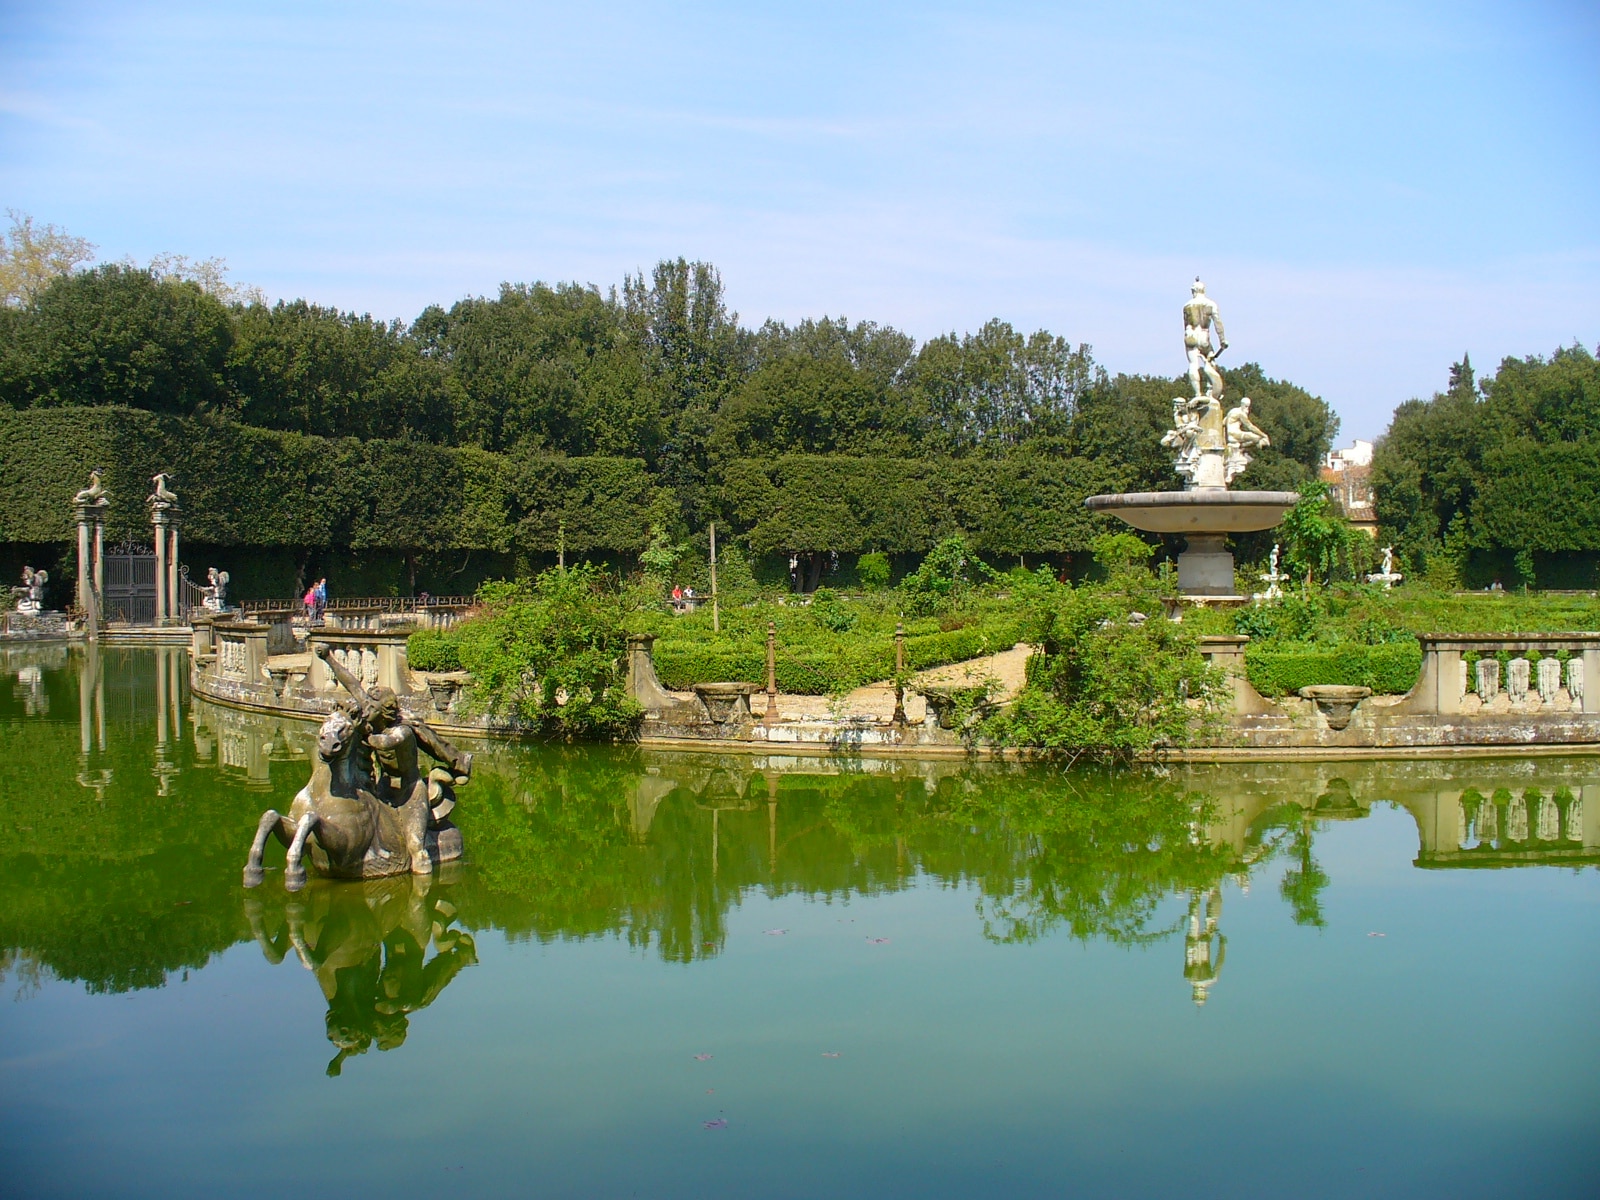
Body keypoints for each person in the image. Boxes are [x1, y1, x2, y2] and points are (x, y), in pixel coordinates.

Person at [1183, 278, 1227, 400]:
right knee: (1211, 362)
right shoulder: (1211, 304)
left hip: (1190, 336)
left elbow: (1185, 324)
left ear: (1194, 291)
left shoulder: (1187, 305)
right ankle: (1210, 389)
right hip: (1203, 335)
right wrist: (1222, 340)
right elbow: (1218, 323)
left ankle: (1197, 393)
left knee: (1193, 365)